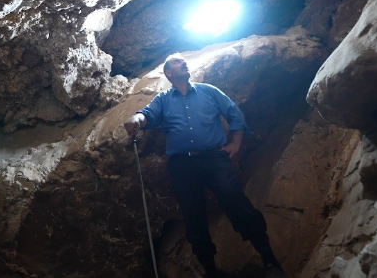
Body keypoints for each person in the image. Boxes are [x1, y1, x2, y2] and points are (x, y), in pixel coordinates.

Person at [123, 54, 287, 278]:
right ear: (168, 73)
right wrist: (135, 120)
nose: (184, 63)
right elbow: (148, 115)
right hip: (182, 165)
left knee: (234, 199)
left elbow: (233, 113)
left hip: (213, 158)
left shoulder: (208, 91)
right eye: (178, 62)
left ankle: (270, 260)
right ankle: (211, 271)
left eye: (184, 61)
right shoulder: (163, 99)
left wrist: (236, 143)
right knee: (193, 215)